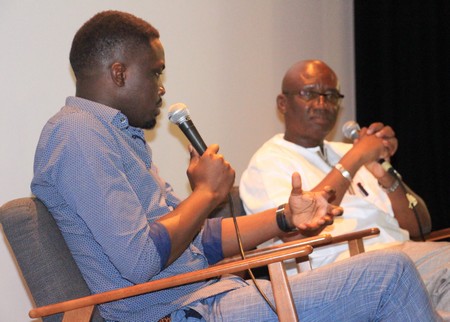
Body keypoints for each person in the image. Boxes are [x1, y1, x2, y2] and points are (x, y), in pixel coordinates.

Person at [30, 12, 440, 322]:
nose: (162, 86)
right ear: (119, 72)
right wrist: (207, 195)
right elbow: (138, 260)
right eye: (155, 72)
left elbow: (201, 240)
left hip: (214, 295)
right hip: (184, 311)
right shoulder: (77, 134)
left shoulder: (120, 138)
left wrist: (284, 219)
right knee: (391, 274)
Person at [240, 59, 450, 319]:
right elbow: (293, 234)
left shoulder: (345, 152)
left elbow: (421, 226)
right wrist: (356, 157)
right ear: (283, 103)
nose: (322, 104)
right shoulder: (268, 162)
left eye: (330, 95)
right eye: (309, 94)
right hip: (339, 272)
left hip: (400, 256)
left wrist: (382, 172)